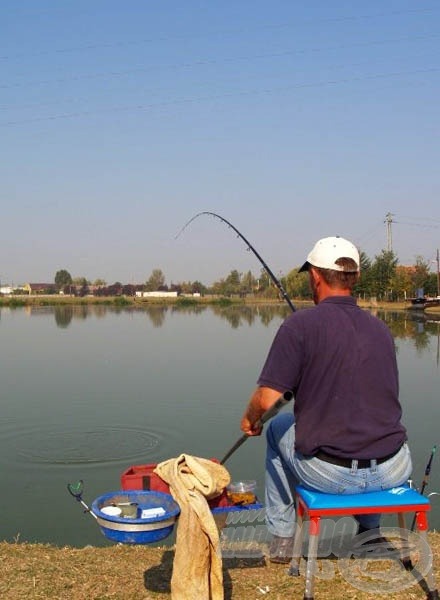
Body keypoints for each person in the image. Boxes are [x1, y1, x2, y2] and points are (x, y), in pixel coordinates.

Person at [240, 236, 412, 563]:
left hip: (335, 476)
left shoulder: (299, 326)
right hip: (394, 468)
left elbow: (268, 399)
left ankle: (282, 541)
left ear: (315, 276)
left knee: (277, 429)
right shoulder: (381, 329)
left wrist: (251, 419)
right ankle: (370, 535)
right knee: (373, 427)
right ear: (354, 278)